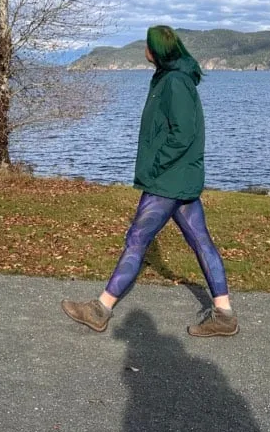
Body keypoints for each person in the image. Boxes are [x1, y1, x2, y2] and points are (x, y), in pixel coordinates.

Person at [61, 25, 237, 337]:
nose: (144, 48)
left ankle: (100, 309)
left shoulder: (175, 83)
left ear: (155, 50)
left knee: (137, 240)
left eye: (147, 44)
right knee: (200, 241)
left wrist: (156, 165)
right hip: (178, 178)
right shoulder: (169, 78)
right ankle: (224, 313)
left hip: (168, 180)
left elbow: (183, 133)